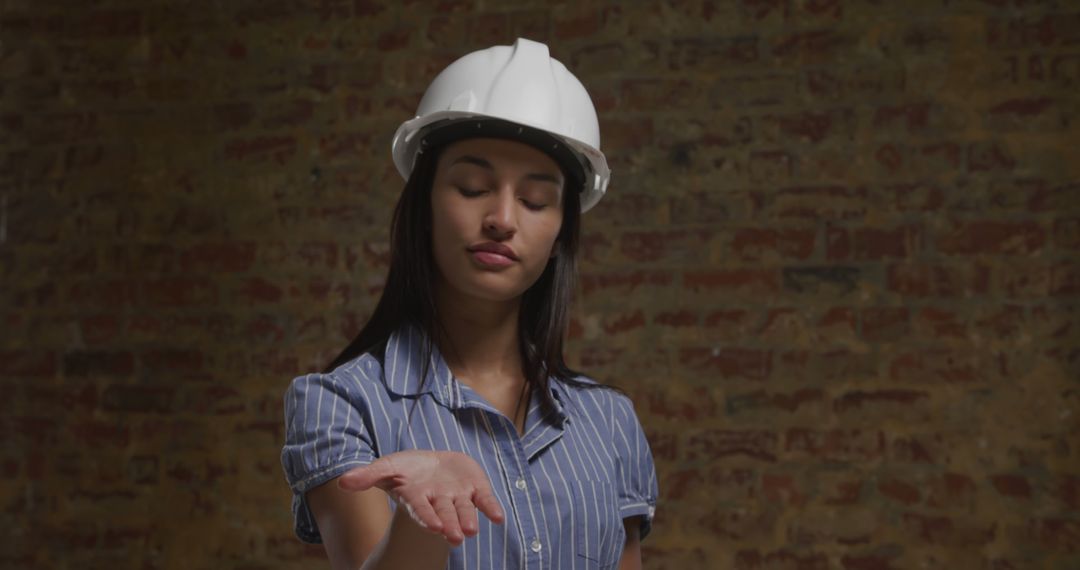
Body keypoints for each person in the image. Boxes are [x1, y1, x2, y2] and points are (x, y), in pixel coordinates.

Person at [280, 37, 659, 570]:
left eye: (534, 201)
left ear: (559, 234)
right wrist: (424, 519)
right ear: (425, 208)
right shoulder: (343, 405)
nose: (503, 218)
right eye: (473, 186)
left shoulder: (609, 420)